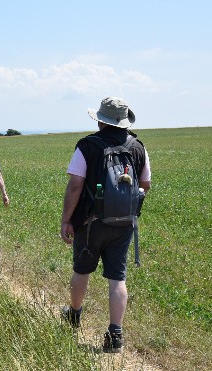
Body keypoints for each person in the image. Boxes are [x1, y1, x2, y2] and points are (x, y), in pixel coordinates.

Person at [59, 97, 151, 353]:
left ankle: (74, 316)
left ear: (101, 119)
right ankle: (115, 336)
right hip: (124, 225)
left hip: (90, 224)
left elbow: (75, 184)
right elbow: (145, 186)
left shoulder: (87, 146)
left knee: (82, 270)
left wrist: (67, 219)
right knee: (117, 279)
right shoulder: (137, 146)